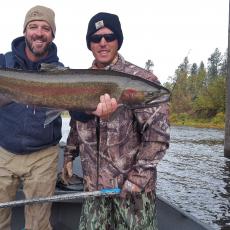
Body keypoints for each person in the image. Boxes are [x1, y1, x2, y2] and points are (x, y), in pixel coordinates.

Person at [0, 6, 116, 230]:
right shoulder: (3, 63)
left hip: (43, 156)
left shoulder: (62, 73)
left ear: (52, 34)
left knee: (38, 223)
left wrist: (92, 110)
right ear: (25, 31)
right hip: (3, 151)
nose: (39, 32)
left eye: (45, 28)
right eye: (33, 27)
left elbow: (77, 111)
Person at [62, 12, 170, 230]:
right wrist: (68, 155)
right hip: (93, 190)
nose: (103, 42)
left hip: (133, 194)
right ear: (90, 44)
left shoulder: (144, 81)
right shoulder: (77, 81)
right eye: (96, 38)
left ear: (118, 40)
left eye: (109, 37)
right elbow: (77, 123)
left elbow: (158, 138)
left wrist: (137, 180)